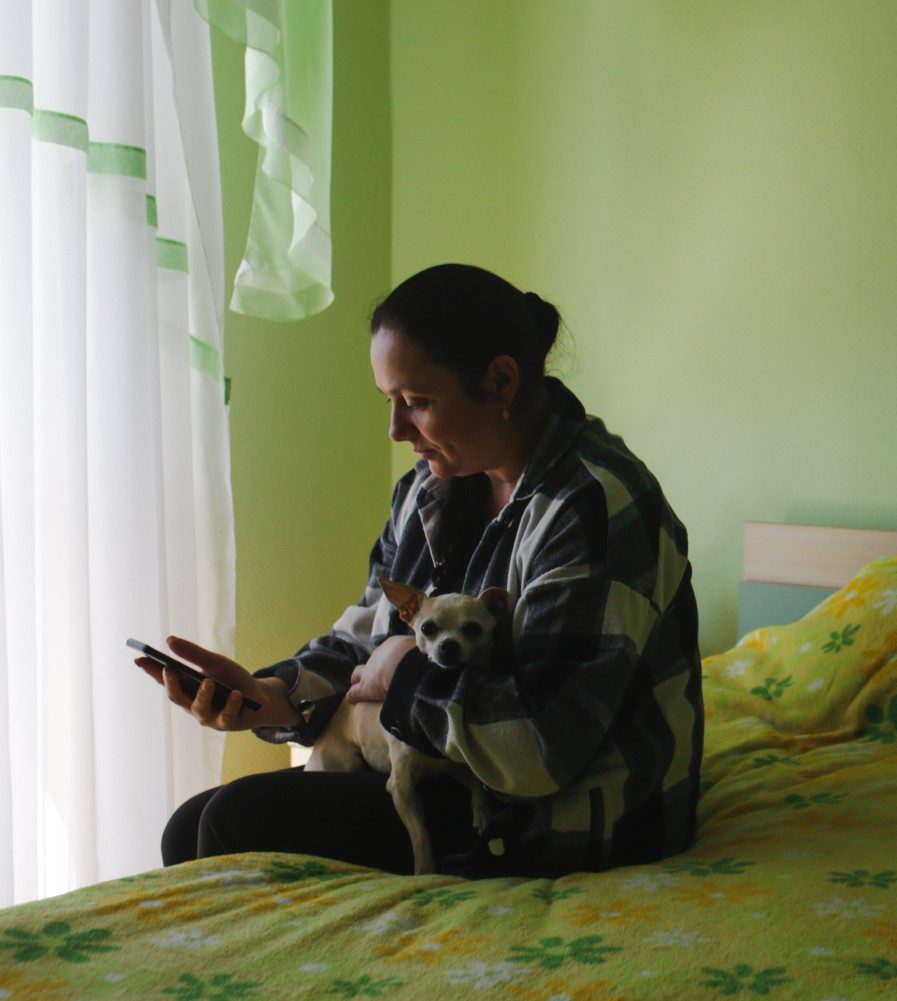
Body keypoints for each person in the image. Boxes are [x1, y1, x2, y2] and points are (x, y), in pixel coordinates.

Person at [146, 263, 704, 878]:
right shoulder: (430, 489)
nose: (395, 430)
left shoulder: (594, 506)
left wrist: (404, 669)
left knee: (235, 822)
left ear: (501, 382)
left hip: (558, 811)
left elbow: (541, 749)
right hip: (442, 768)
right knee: (189, 827)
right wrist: (273, 698)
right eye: (389, 402)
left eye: (416, 403)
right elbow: (365, 637)